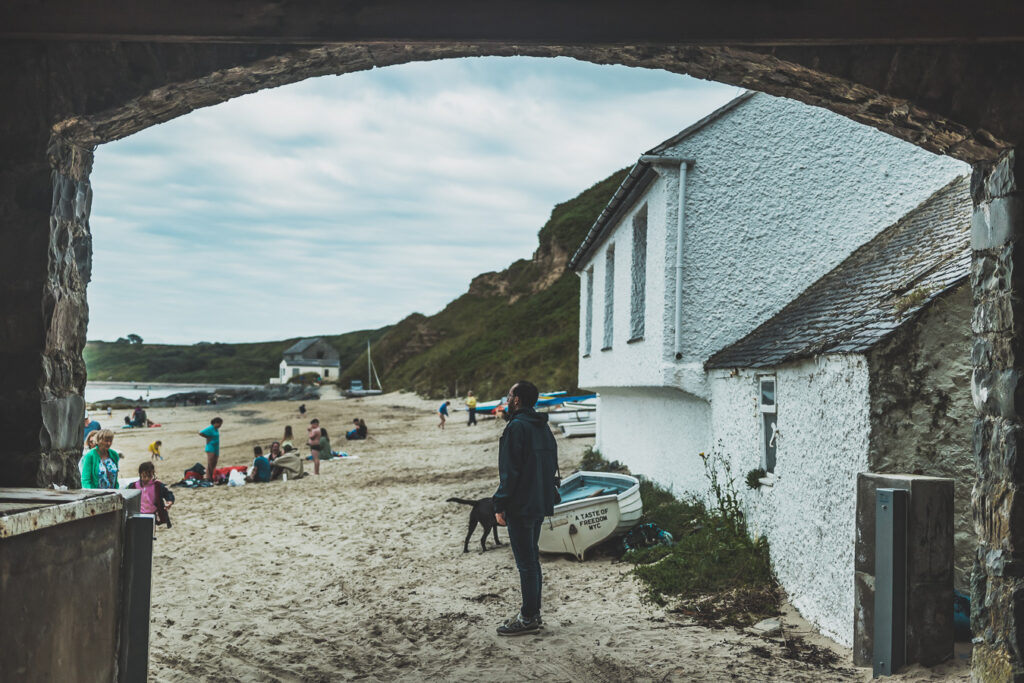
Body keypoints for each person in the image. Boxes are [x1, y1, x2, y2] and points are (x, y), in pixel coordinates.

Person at [492, 381, 560, 636]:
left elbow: (510, 473)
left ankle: (529, 616)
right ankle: (533, 613)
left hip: (521, 505)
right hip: (540, 503)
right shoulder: (543, 427)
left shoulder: (516, 428)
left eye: (509, 395)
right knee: (532, 561)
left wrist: (500, 503)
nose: (507, 399)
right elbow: (551, 465)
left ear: (517, 400)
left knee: (527, 563)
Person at [127, 461, 175, 527]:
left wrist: (169, 501)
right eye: (144, 476)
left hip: (152, 515)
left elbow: (168, 494)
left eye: (149, 476)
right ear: (140, 474)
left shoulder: (157, 485)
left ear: (153, 474)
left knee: (150, 534)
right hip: (138, 515)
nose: (146, 478)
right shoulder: (133, 486)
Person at [199, 417, 223, 482]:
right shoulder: (210, 428)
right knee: (210, 462)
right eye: (219, 424)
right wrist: (207, 437)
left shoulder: (216, 429)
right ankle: (208, 477)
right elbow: (201, 432)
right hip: (210, 447)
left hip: (216, 447)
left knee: (214, 462)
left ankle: (211, 476)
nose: (220, 425)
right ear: (215, 423)